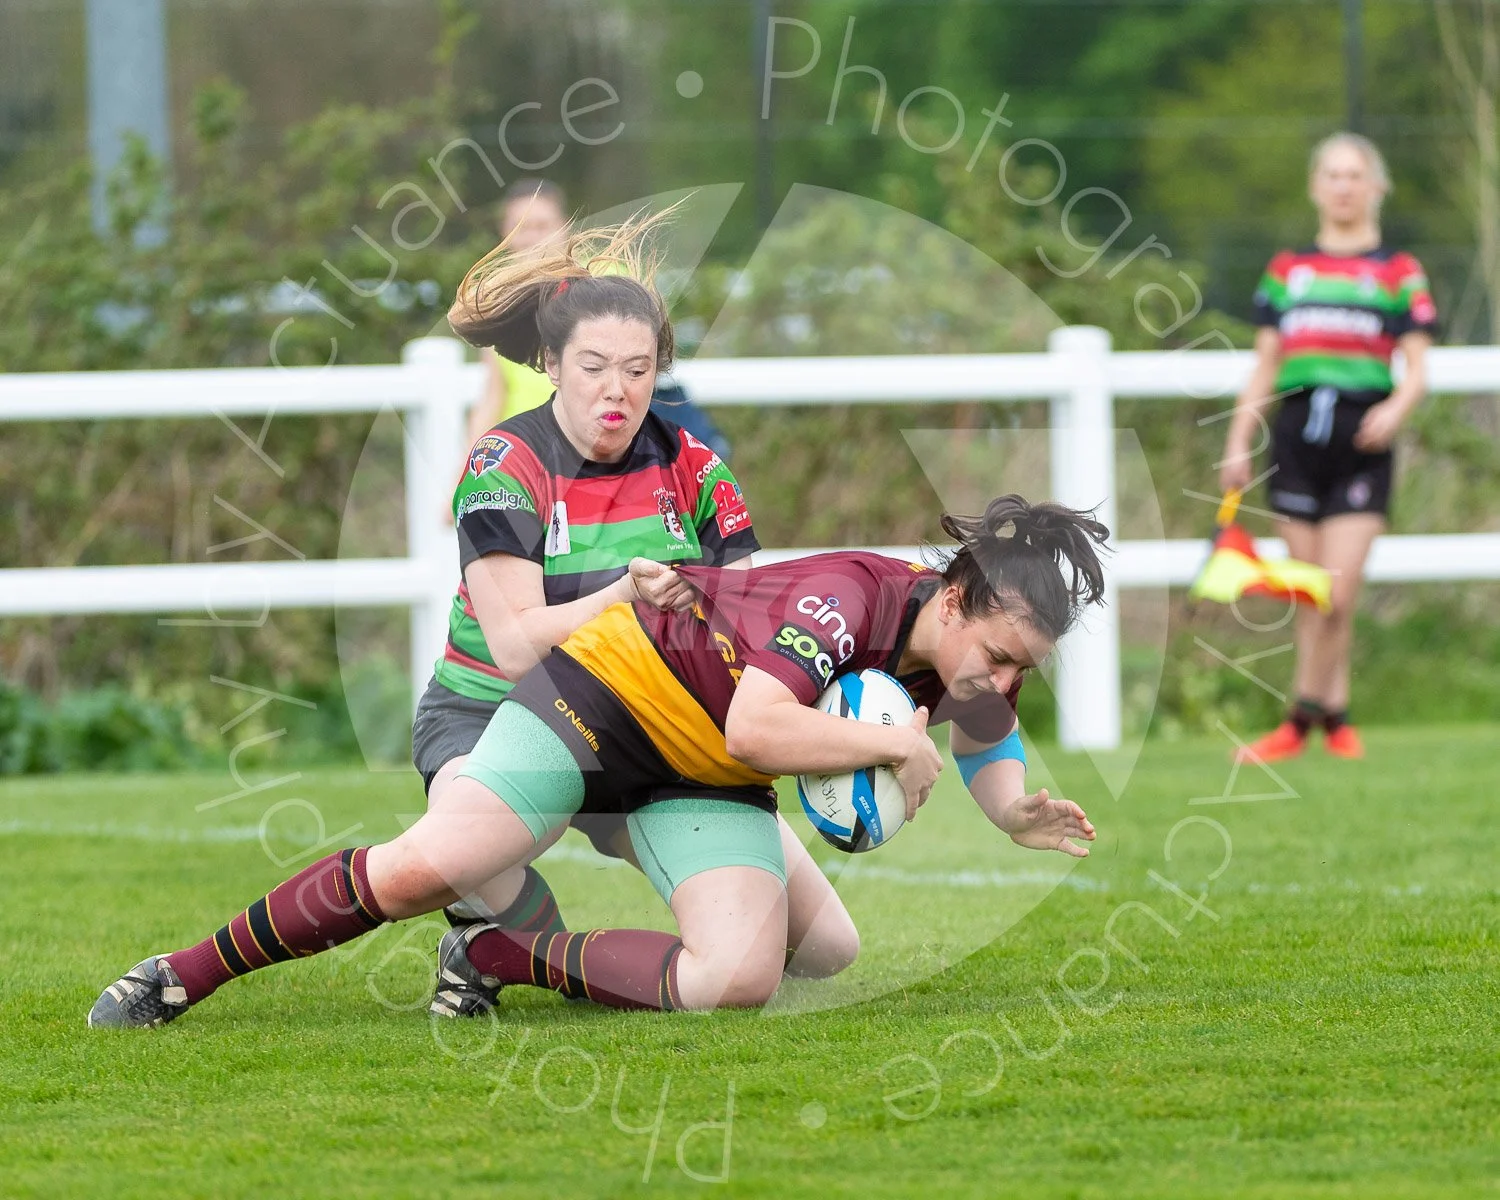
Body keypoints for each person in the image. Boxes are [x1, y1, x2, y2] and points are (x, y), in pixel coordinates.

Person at [88, 494, 1107, 1027]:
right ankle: (184, 975)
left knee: (774, 970)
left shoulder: (969, 659)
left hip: (698, 776)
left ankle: (496, 953)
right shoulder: (846, 595)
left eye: (1025, 668)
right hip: (605, 701)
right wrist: (894, 744)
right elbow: (759, 727)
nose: (1004, 680)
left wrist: (1012, 810)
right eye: (1004, 654)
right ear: (957, 597)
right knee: (424, 870)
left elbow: (985, 732)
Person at [413, 208, 856, 988]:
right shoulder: (503, 463)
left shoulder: (694, 466)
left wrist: (846, 720)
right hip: (496, 709)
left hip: (647, 718)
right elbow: (516, 647)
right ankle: (507, 946)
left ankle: (514, 954)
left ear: (661, 370)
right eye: (593, 367)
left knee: (826, 949)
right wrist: (625, 593)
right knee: (461, 856)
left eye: (639, 369)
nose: (617, 390)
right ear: (551, 363)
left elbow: (751, 625)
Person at [1219, 132, 1437, 763]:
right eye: (1333, 175)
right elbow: (1264, 367)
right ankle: (1335, 715)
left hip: (1363, 440)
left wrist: (1396, 408)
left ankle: (1298, 718)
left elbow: (1418, 368)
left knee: (1338, 591)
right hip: (1296, 440)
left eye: (1356, 175)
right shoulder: (1290, 270)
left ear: (1376, 187)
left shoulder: (1399, 271)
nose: (1344, 186)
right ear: (1317, 187)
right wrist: (1237, 440)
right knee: (1309, 593)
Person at [468, 178, 732, 457]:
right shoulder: (497, 300)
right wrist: (467, 474)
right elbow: (493, 396)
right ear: (504, 234)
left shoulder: (609, 278)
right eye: (519, 228)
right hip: (528, 454)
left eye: (542, 226)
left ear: (565, 228)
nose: (532, 238)